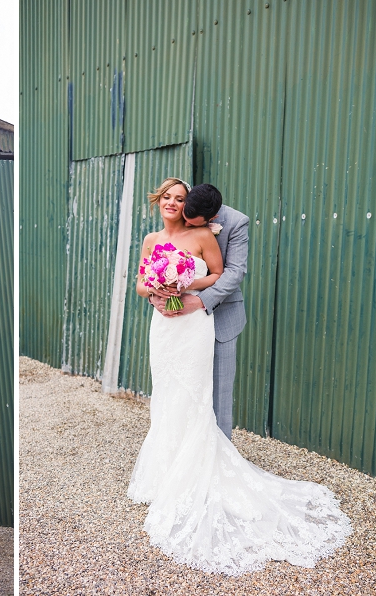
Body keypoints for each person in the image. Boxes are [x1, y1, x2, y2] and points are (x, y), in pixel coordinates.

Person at [127, 178, 351, 575]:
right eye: (168, 198)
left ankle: (216, 470)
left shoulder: (225, 226)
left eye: (179, 199)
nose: (174, 204)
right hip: (166, 325)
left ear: (197, 209)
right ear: (160, 201)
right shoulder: (151, 238)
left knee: (212, 395)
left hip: (210, 317)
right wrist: (160, 290)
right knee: (168, 392)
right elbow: (142, 282)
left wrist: (188, 289)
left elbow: (230, 273)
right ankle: (167, 470)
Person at [149, 183, 247, 439]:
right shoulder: (184, 210)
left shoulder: (236, 223)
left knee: (218, 393)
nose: (188, 228)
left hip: (221, 316)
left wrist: (199, 299)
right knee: (181, 388)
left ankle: (217, 460)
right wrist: (156, 294)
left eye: (194, 224)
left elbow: (234, 272)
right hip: (179, 322)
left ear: (211, 219)